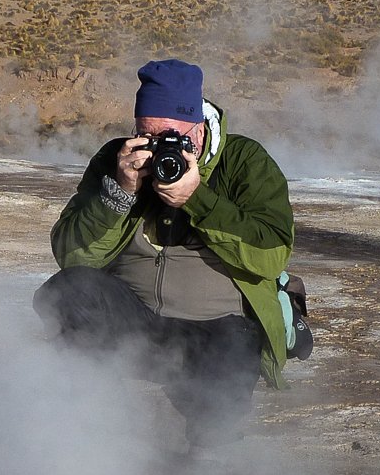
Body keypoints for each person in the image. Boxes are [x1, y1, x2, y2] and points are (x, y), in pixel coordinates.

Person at [34, 59, 295, 449]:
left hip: (216, 328)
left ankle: (213, 450)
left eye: (170, 137)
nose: (158, 149)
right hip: (135, 322)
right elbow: (72, 256)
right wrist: (119, 194)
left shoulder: (245, 162)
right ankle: (89, 428)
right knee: (70, 290)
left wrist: (198, 199)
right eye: (146, 135)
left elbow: (271, 254)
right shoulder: (116, 160)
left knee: (230, 369)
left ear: (199, 130)